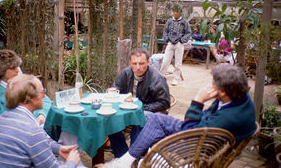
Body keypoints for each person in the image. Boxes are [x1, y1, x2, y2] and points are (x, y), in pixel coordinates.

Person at [98, 63, 257, 168]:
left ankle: (126, 162)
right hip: (207, 135)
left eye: (213, 83)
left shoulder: (229, 118)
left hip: (197, 150)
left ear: (222, 91)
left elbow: (191, 135)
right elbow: (206, 120)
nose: (210, 85)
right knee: (152, 118)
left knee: (152, 131)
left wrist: (197, 101)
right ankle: (128, 158)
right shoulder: (238, 96)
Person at [0, 74, 82, 167]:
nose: (44, 96)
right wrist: (72, 162)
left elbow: (29, 144)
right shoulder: (32, 129)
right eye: (42, 92)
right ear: (30, 99)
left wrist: (58, 148)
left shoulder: (0, 120)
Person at [108, 47, 170, 158]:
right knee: (109, 119)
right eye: (134, 63)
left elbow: (165, 103)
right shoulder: (125, 73)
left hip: (149, 113)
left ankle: (133, 156)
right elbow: (116, 87)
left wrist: (140, 108)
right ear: (130, 63)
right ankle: (122, 156)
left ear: (148, 62)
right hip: (127, 111)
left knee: (139, 118)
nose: (137, 67)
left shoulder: (157, 78)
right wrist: (112, 91)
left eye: (141, 63)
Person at [0, 49, 51, 125]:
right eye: (13, 68)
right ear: (2, 70)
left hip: (39, 123)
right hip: (16, 128)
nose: (17, 70)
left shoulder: (22, 83)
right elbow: (5, 114)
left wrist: (41, 114)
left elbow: (45, 100)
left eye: (17, 66)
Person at [160, 6, 191, 86]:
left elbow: (188, 32)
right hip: (170, 43)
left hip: (179, 44)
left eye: (177, 11)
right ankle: (161, 77)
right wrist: (167, 39)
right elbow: (165, 31)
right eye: (174, 11)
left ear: (180, 12)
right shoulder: (169, 21)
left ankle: (175, 79)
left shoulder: (184, 22)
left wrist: (182, 40)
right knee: (165, 61)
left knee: (178, 63)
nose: (175, 13)